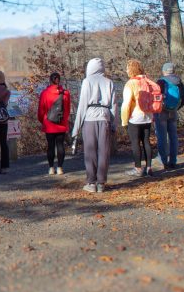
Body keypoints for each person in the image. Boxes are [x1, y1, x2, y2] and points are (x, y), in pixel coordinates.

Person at [71, 58, 117, 193]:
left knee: (90, 151)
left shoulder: (87, 81)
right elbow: (114, 106)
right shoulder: (109, 82)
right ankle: (101, 183)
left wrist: (76, 128)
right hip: (105, 118)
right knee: (104, 151)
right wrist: (114, 125)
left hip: (89, 118)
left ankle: (91, 183)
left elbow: (82, 105)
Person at [121, 59, 154, 177]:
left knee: (135, 143)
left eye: (127, 68)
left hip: (135, 117)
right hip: (148, 116)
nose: (126, 70)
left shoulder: (131, 83)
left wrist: (124, 121)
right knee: (146, 141)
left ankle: (138, 168)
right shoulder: (148, 81)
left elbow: (126, 104)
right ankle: (149, 168)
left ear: (131, 69)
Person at [38, 72, 71, 175]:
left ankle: (51, 168)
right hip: (61, 124)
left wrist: (43, 120)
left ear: (50, 80)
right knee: (60, 145)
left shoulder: (44, 93)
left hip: (49, 124)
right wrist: (64, 120)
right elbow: (67, 110)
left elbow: (41, 111)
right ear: (59, 80)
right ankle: (60, 168)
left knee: (50, 146)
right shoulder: (66, 93)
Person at [155, 62, 184, 169]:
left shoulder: (160, 82)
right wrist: (175, 108)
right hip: (174, 113)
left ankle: (163, 161)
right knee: (173, 137)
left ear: (164, 71)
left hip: (161, 113)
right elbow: (183, 100)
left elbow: (156, 98)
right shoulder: (179, 82)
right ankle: (173, 161)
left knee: (161, 137)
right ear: (173, 71)